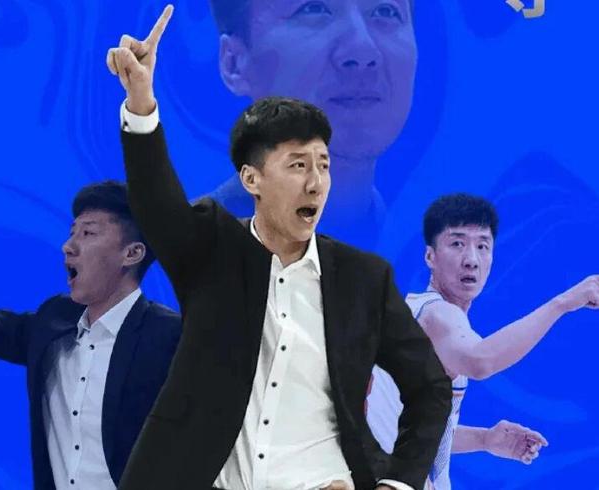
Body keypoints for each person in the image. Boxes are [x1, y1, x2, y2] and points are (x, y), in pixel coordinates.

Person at [106, 6, 450, 490]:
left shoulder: (364, 278)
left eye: (323, 165)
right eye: (297, 165)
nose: (315, 183)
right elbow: (157, 204)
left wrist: (398, 483)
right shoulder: (210, 248)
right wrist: (141, 104)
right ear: (252, 179)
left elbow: (430, 387)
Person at [0, 180, 181, 489]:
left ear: (132, 253)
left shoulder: (169, 336)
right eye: (72, 232)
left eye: (88, 233)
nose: (69, 246)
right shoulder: (54, 321)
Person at [367, 193, 599, 489]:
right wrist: (563, 303)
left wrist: (485, 439)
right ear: (430, 256)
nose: (471, 260)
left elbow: (408, 427)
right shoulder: (437, 315)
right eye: (457, 244)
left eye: (482, 246)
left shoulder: (414, 311)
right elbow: (480, 361)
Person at [205, 0, 419, 249]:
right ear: (235, 63)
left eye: (385, 11)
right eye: (313, 9)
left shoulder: (425, 249)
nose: (363, 50)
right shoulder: (188, 253)